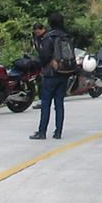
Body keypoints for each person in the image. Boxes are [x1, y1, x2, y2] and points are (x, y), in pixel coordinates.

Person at [31, 12, 70, 140]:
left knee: (46, 103)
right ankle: (58, 132)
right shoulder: (66, 36)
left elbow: (44, 56)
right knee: (59, 104)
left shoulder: (49, 37)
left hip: (50, 74)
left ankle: (42, 132)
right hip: (64, 73)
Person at [30, 22, 47, 110]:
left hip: (48, 61)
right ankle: (42, 100)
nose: (37, 34)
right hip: (41, 61)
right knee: (40, 80)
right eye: (35, 32)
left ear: (42, 29)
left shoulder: (47, 37)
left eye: (38, 32)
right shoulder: (35, 38)